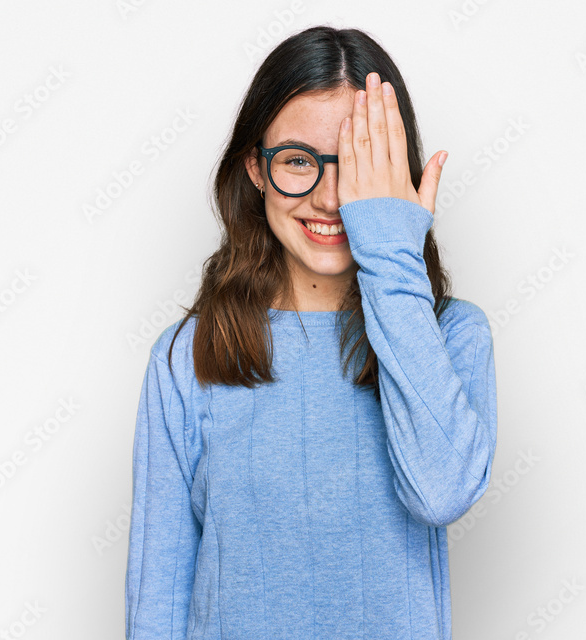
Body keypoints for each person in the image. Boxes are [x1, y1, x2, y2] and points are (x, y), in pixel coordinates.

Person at [125, 25, 498, 640]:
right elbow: (157, 601)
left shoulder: (453, 334)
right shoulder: (187, 356)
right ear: (255, 167)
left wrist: (391, 246)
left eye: (355, 163)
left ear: (393, 173)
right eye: (299, 160)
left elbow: (440, 493)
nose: (329, 199)